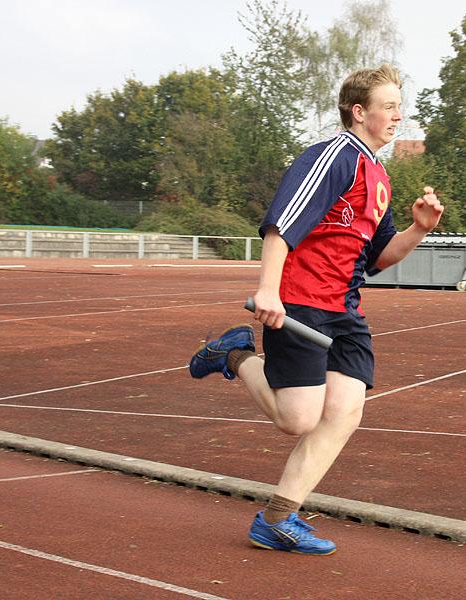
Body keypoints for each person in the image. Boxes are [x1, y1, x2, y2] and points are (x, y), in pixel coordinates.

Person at [189, 64, 443, 555]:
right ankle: (235, 355)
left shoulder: (379, 176)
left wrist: (419, 230)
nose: (398, 115)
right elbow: (280, 223)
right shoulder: (334, 157)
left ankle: (277, 518)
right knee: (298, 420)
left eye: (398, 106)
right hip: (300, 301)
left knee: (345, 412)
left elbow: (377, 258)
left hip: (344, 309)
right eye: (389, 106)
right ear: (359, 111)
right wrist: (267, 289)